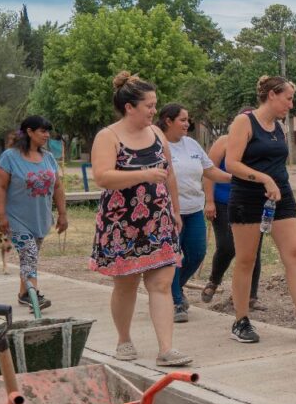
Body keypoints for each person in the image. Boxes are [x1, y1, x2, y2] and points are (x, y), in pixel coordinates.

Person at [89, 72, 192, 367]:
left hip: (158, 220)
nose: (153, 111)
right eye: (148, 105)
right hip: (121, 223)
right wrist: (144, 175)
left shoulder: (158, 134)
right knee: (126, 285)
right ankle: (123, 339)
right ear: (129, 107)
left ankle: (166, 349)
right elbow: (103, 176)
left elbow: (168, 172)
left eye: (154, 105)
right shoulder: (108, 136)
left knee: (161, 284)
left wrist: (175, 208)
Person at [225, 75, 296, 343]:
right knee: (247, 259)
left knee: (295, 253)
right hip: (248, 197)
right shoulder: (245, 121)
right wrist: (263, 178)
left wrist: (275, 181)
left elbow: (276, 161)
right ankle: (240, 320)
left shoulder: (279, 127)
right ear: (272, 95)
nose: (291, 104)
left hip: (280, 196)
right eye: (288, 98)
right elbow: (231, 164)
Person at [157, 103, 231, 323]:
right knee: (173, 258)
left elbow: (209, 170)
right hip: (168, 213)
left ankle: (172, 289)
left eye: (188, 120)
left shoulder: (191, 144)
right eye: (182, 120)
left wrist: (234, 177)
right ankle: (177, 301)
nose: (187, 124)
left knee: (197, 253)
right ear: (168, 121)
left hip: (193, 209)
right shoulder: (157, 144)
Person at [0, 116, 68, 310]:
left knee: (30, 257)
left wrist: (62, 214)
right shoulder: (10, 157)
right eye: (42, 131)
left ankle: (22, 293)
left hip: (40, 218)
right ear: (29, 131)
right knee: (29, 252)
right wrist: (1, 216)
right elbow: (0, 187)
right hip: (15, 218)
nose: (47, 135)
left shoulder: (49, 158)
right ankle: (31, 294)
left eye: (48, 131)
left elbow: (58, 187)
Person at [201, 119, 264, 309]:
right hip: (223, 202)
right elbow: (209, 172)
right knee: (227, 246)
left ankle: (250, 296)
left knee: (254, 251)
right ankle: (214, 280)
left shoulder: (259, 146)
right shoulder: (224, 142)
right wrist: (209, 201)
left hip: (251, 204)